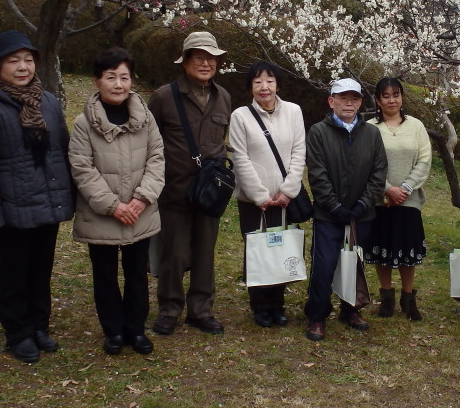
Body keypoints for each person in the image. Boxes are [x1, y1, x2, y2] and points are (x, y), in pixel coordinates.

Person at [0, 30, 74, 364]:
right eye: (14, 60)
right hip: (11, 208)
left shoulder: (48, 102)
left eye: (28, 59)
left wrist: (66, 198)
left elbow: (61, 152)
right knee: (13, 273)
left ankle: (39, 325)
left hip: (47, 202)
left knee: (41, 270)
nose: (23, 67)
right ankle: (17, 332)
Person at [69, 48, 164, 356]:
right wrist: (113, 205)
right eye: (111, 77)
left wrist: (142, 198)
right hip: (102, 214)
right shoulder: (84, 124)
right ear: (98, 81)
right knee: (105, 275)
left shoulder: (145, 117)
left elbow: (157, 158)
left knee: (137, 273)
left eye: (124, 77)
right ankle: (113, 330)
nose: (118, 84)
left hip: (140, 212)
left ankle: (136, 329)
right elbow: (82, 169)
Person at [146, 31, 231, 336]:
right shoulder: (164, 96)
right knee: (175, 253)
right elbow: (148, 140)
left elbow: (221, 141)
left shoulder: (224, 97)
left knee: (205, 251)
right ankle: (169, 309)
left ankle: (201, 310)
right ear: (185, 62)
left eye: (211, 58)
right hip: (174, 189)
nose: (206, 63)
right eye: (199, 57)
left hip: (210, 193)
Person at [303, 78, 387, 341]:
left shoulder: (372, 134)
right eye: (342, 97)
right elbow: (317, 174)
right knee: (324, 266)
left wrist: (363, 204)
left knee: (354, 263)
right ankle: (317, 315)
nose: (348, 102)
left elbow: (379, 172)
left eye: (354, 98)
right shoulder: (318, 132)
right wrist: (335, 206)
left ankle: (351, 308)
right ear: (332, 101)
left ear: (361, 102)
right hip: (328, 215)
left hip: (362, 214)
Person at [229, 60, 306, 328]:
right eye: (258, 81)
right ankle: (260, 305)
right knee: (258, 251)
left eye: (270, 81)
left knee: (281, 249)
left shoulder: (294, 112)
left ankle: (277, 303)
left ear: (278, 84)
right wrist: (260, 196)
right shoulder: (240, 116)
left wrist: (288, 190)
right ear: (250, 86)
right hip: (254, 200)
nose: (264, 87)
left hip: (284, 198)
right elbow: (240, 158)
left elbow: (299, 153)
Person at [366, 77, 432, 321]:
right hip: (379, 199)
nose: (391, 99)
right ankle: (386, 297)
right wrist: (387, 189)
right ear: (378, 100)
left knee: (407, 249)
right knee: (380, 248)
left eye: (396, 94)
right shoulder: (370, 127)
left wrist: (404, 188)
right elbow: (367, 163)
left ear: (402, 97)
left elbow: (425, 159)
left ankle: (408, 298)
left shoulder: (416, 126)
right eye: (386, 95)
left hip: (409, 200)